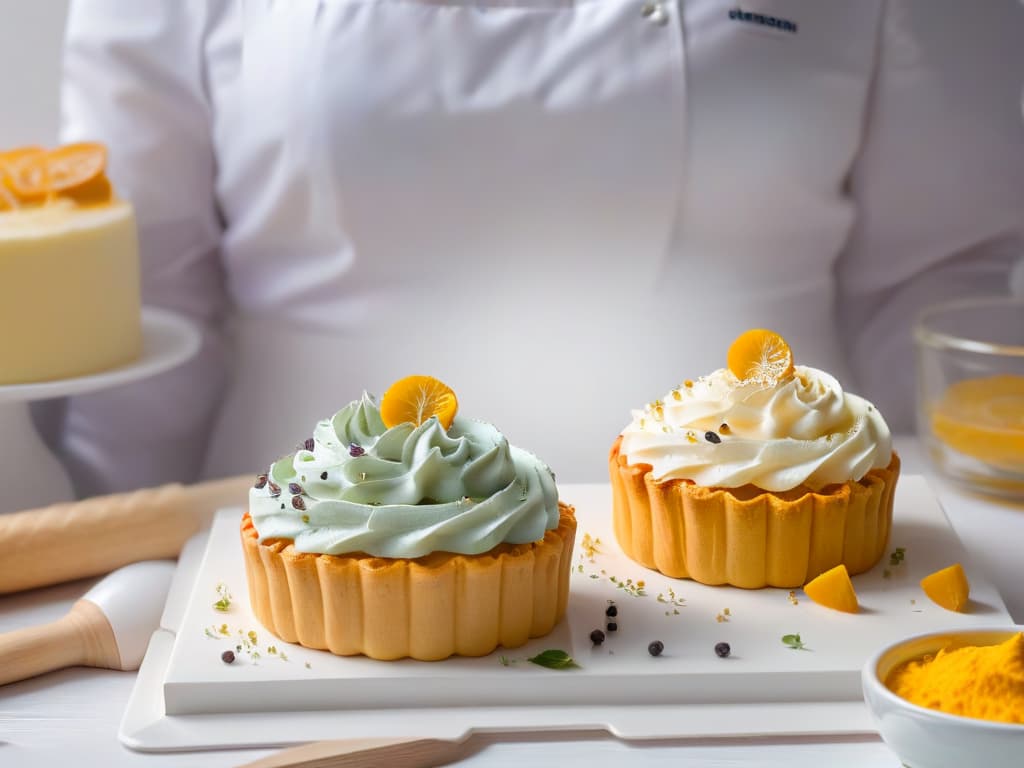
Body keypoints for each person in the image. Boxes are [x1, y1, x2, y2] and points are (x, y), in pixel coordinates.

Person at [44, 0, 1024, 495]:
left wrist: (950, 556)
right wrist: (112, 563)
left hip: (770, 559)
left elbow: (937, 288)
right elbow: (140, 308)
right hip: (293, 560)